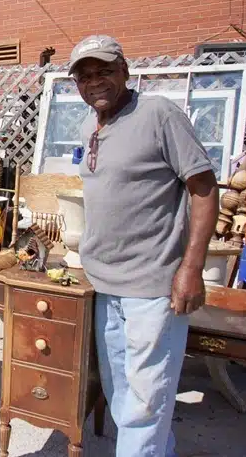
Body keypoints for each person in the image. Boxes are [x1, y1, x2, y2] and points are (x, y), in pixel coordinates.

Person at [69, 35, 219, 456]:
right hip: (105, 286)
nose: (94, 82)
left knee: (147, 403)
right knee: (123, 398)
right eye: (84, 76)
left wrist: (191, 269)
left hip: (153, 289)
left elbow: (205, 190)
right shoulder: (89, 125)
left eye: (104, 71)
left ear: (125, 71)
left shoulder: (159, 114)